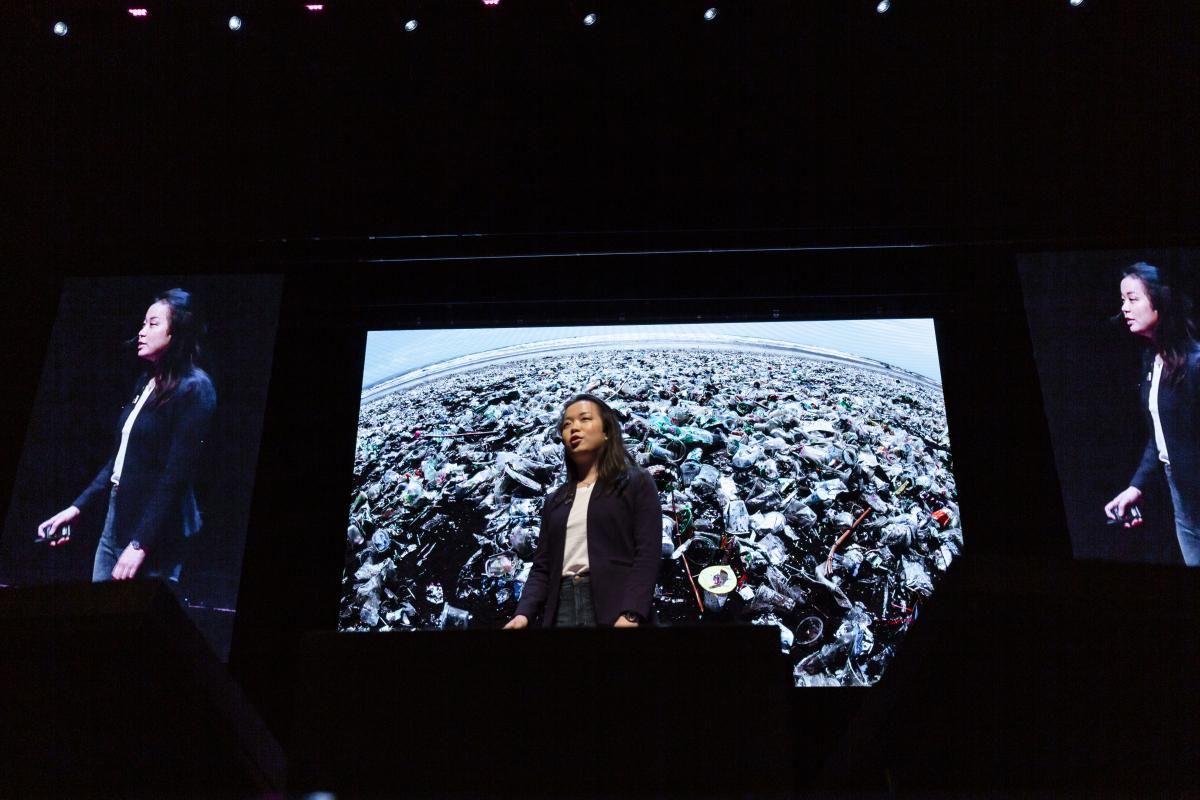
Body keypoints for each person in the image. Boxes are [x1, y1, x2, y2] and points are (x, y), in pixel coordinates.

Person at [37, 288, 217, 582]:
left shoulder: (195, 389)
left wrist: (140, 543)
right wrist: (76, 507)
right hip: (118, 516)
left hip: (157, 531)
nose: (142, 332)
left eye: (153, 324)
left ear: (177, 333)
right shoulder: (147, 381)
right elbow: (118, 459)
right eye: (143, 323)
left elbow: (175, 475)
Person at [503, 393, 661, 628]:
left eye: (584, 419)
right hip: (561, 608)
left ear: (607, 432)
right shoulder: (555, 501)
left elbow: (647, 554)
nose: (574, 428)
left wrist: (631, 613)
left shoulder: (635, 483)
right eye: (567, 424)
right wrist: (523, 614)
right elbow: (542, 567)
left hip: (615, 602)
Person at [1104, 263, 1200, 565]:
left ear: (1160, 302)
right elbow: (1160, 434)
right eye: (1123, 300)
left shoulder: (1196, 365)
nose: (1125, 308)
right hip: (1181, 496)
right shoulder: (1152, 360)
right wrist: (1137, 486)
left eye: (1133, 299)